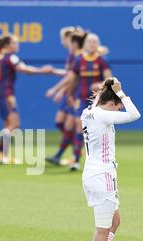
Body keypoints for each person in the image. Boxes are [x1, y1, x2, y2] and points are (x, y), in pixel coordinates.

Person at [81, 77, 141, 241]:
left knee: (115, 222)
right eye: (117, 106)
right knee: (103, 228)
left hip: (93, 174)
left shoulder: (88, 111)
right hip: (102, 175)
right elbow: (135, 115)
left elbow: (98, 100)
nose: (118, 110)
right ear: (113, 103)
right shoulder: (102, 115)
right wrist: (122, 93)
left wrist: (110, 88)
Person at [47, 33, 111, 171]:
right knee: (77, 127)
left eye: (95, 42)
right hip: (81, 99)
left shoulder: (101, 61)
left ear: (98, 44)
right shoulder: (79, 60)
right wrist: (57, 90)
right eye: (90, 42)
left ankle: (93, 158)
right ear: (85, 44)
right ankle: (74, 160)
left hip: (96, 102)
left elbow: (109, 81)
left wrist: (100, 84)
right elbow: (70, 79)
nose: (92, 44)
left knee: (91, 130)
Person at [0, 35, 53, 164]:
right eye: (15, 42)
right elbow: (23, 69)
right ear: (7, 45)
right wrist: (41, 70)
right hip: (8, 95)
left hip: (1, 96)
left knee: (8, 124)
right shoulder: (10, 57)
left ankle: (3, 156)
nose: (17, 45)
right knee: (14, 125)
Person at [46, 28, 85, 166]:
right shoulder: (72, 55)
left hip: (76, 94)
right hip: (71, 93)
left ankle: (73, 153)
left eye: (64, 38)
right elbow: (70, 75)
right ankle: (75, 147)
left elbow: (72, 78)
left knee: (71, 125)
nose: (63, 41)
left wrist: (61, 91)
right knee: (62, 124)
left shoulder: (78, 56)